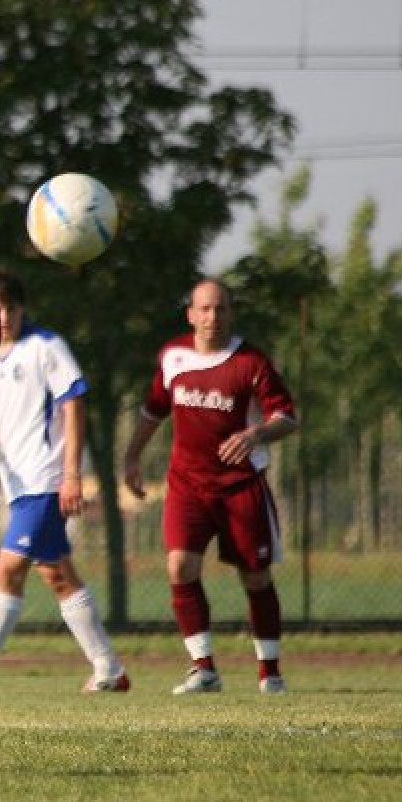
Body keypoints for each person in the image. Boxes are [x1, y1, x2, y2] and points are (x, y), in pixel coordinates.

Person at [0, 271, 130, 695]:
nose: (1, 317)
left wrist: (72, 474)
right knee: (58, 576)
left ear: (21, 310)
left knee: (8, 568)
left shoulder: (46, 347)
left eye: (8, 309)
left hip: (46, 479)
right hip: (16, 485)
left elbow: (75, 405)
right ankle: (109, 667)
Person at [122, 277, 298, 695]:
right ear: (190, 314)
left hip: (241, 486)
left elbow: (287, 417)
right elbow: (153, 409)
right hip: (188, 486)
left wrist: (255, 436)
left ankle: (269, 672)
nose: (212, 317)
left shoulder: (250, 362)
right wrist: (131, 457)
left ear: (230, 314)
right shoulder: (173, 356)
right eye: (204, 309)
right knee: (180, 566)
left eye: (220, 309)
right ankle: (203, 667)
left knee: (255, 577)